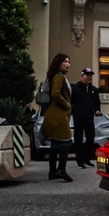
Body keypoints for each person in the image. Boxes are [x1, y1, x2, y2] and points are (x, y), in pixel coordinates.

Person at [42, 54, 73, 182]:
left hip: (52, 115)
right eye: (65, 61)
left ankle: (53, 171)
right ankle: (61, 169)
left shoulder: (55, 76)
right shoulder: (59, 77)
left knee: (55, 143)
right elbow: (56, 93)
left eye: (68, 61)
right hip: (58, 116)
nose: (68, 64)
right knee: (66, 141)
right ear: (59, 63)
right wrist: (66, 104)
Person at [72, 67, 101, 168]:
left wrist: (97, 110)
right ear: (82, 76)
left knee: (90, 137)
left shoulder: (94, 90)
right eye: (87, 75)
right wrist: (73, 112)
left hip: (89, 118)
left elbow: (97, 103)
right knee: (78, 139)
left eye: (91, 76)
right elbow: (71, 101)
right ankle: (79, 160)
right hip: (79, 117)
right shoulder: (76, 88)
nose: (89, 77)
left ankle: (86, 158)